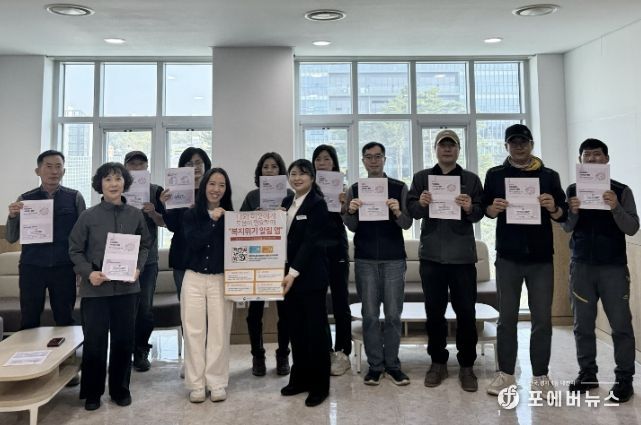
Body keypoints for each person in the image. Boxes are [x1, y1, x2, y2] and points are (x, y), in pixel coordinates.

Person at [482, 124, 567, 396]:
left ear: (531, 144)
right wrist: (493, 208)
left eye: (523, 142)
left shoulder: (549, 176)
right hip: (508, 257)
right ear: (506, 146)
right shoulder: (495, 175)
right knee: (506, 319)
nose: (519, 147)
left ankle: (540, 376)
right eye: (513, 142)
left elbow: (563, 214)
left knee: (542, 319)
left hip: (541, 258)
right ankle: (506, 375)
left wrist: (553, 207)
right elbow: (485, 209)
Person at [68, 162, 152, 411]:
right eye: (108, 179)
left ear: (125, 182)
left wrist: (138, 268)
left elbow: (145, 245)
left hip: (127, 290)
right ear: (100, 184)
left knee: (123, 341)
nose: (113, 184)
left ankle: (120, 389)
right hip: (96, 290)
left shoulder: (135, 215)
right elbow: (74, 249)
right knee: (95, 342)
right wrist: (88, 273)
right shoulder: (88, 216)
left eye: (118, 178)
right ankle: (92, 393)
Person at [406, 129, 484, 392]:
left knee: (466, 313)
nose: (447, 149)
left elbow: (480, 212)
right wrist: (422, 203)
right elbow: (412, 211)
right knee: (434, 313)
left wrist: (470, 207)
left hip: (462, 258)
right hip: (432, 257)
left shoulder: (471, 179)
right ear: (436, 149)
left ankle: (467, 365)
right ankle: (437, 362)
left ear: (459, 149)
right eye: (443, 145)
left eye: (452, 145)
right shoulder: (422, 178)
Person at [562, 139, 638, 402]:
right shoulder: (573, 189)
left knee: (621, 325)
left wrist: (615, 207)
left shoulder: (621, 190)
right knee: (582, 325)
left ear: (606, 160)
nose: (592, 159)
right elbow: (566, 227)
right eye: (587, 155)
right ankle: (588, 374)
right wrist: (572, 212)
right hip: (581, 267)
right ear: (580, 160)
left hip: (613, 268)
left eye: (597, 155)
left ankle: (624, 378)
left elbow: (632, 228)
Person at [342, 142, 413, 386]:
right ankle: (375, 366)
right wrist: (351, 211)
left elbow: (407, 223)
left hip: (394, 259)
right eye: (369, 157)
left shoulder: (398, 187)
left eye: (378, 156)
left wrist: (397, 212)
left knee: (393, 315)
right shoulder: (355, 189)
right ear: (363, 161)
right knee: (370, 315)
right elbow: (351, 226)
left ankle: (392, 365)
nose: (373, 161)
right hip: (365, 259)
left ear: (385, 159)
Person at [5, 150, 85, 330]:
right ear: (38, 171)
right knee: (29, 319)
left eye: (58, 167)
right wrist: (12, 216)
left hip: (64, 267)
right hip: (32, 267)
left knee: (65, 318)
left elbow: (83, 235)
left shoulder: (75, 197)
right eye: (48, 166)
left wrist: (81, 266)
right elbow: (10, 237)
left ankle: (66, 349)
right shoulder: (25, 199)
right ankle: (28, 349)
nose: (54, 171)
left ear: (64, 171)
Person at [280, 159, 332, 407]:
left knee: (316, 333)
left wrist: (293, 272)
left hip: (310, 278)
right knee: (296, 330)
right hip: (287, 278)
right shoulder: (286, 202)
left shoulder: (318, 204)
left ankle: (320, 386)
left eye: (302, 174)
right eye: (293, 174)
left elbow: (311, 242)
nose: (297, 178)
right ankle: (299, 379)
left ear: (312, 177)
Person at [181, 168, 235, 403]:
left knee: (219, 332)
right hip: (193, 278)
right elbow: (193, 243)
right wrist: (212, 221)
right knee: (193, 332)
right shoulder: (191, 214)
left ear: (226, 190)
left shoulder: (231, 217)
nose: (216, 189)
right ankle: (196, 384)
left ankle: (217, 382)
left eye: (221, 185)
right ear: (204, 186)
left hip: (220, 279)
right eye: (212, 183)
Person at [240, 152, 292, 377]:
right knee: (254, 313)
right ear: (259, 172)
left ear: (281, 171)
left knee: (285, 312)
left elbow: (298, 228)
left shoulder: (290, 196)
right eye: (265, 167)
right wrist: (254, 216)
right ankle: (257, 355)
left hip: (283, 259)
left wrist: (284, 216)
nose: (269, 170)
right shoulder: (252, 197)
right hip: (258, 259)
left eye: (274, 167)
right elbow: (239, 225)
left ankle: (283, 355)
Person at [311, 144, 352, 376]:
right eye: (318, 159)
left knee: (340, 301)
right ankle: (325, 350)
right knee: (318, 302)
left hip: (337, 247)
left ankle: (343, 351)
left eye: (326, 159)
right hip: (316, 249)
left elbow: (349, 220)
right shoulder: (308, 188)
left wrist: (344, 205)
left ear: (334, 162)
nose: (322, 163)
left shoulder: (343, 188)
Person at [123, 151, 165, 372]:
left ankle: (141, 350)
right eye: (132, 164)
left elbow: (165, 223)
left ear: (147, 167)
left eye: (141, 164)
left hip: (148, 260)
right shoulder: (117, 189)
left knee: (145, 309)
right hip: (122, 258)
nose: (137, 168)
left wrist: (153, 212)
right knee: (124, 307)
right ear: (125, 167)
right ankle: (124, 350)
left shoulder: (156, 191)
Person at [161, 147, 211, 299]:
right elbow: (172, 226)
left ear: (206, 165)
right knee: (185, 305)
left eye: (198, 162)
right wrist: (165, 205)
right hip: (182, 255)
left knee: (208, 306)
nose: (195, 167)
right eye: (189, 163)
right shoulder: (175, 191)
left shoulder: (213, 191)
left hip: (207, 257)